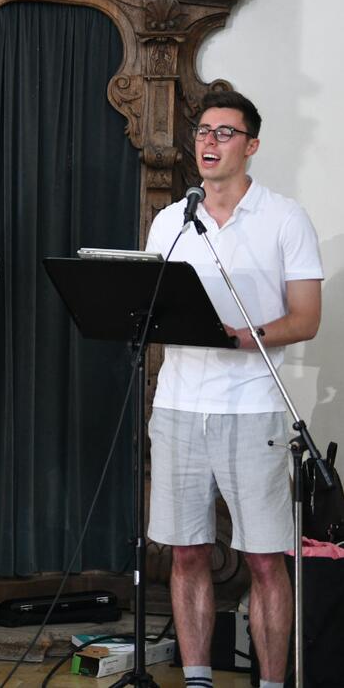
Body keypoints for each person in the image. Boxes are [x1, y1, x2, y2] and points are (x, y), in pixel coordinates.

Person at [145, 91, 322, 688]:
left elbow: (306, 317)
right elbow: (152, 308)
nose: (209, 142)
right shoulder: (171, 221)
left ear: (252, 144)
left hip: (253, 408)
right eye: (203, 131)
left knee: (264, 558)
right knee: (187, 551)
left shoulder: (284, 217)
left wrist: (249, 336)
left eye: (225, 133)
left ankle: (271, 684)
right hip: (176, 406)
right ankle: (197, 679)